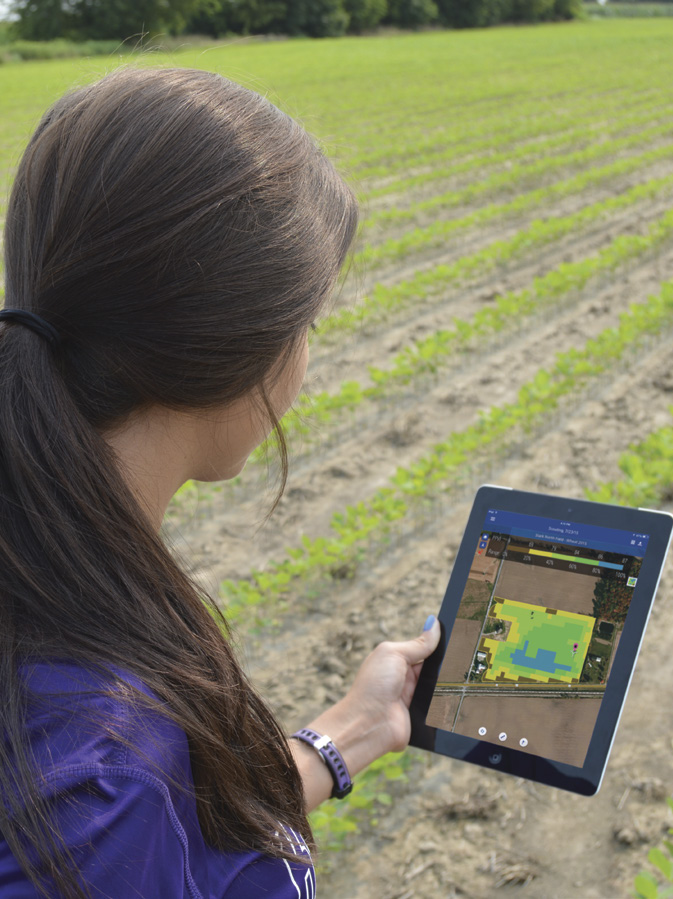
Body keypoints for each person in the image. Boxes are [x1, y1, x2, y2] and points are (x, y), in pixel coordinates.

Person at [0, 66, 440, 898]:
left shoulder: (54, 566)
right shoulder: (98, 786)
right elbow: (125, 816)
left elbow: (177, 837)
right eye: (307, 324)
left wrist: (352, 731)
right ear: (248, 348)